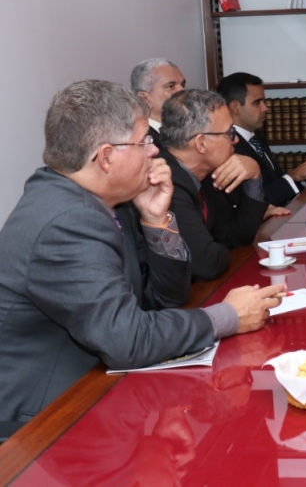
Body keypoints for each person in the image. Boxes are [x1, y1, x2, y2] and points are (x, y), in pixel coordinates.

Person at [0, 80, 283, 423]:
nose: (155, 152)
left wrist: (156, 221)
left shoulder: (107, 203)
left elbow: (166, 298)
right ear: (106, 157)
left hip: (99, 388)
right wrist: (228, 316)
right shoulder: (68, 220)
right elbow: (128, 340)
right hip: (44, 421)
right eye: (144, 142)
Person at [157, 89, 270, 281]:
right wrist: (219, 248)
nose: (236, 139)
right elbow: (207, 263)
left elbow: (237, 236)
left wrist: (254, 176)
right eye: (229, 133)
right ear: (201, 143)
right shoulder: (166, 183)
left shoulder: (203, 174)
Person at [216, 72, 306, 206]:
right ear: (235, 107)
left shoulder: (256, 137)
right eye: (257, 102)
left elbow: (274, 182)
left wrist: (305, 180)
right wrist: (293, 176)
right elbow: (254, 201)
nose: (265, 108)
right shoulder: (227, 147)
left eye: (264, 101)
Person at [130, 58, 187, 145]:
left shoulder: (192, 130)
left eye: (183, 85)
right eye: (171, 86)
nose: (182, 91)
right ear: (144, 98)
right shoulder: (138, 141)